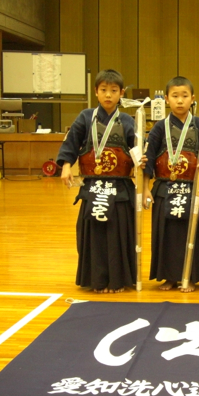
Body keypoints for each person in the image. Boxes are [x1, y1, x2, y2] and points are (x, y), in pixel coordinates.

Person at [58, 69, 137, 294]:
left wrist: (142, 165)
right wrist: (65, 166)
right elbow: (72, 143)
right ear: (96, 92)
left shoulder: (128, 121)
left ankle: (119, 280)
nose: (108, 95)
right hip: (93, 186)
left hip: (120, 187)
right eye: (103, 90)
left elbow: (136, 150)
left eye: (113, 91)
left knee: (118, 235)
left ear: (121, 93)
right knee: (94, 234)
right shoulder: (85, 117)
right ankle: (96, 279)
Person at [142, 76, 199, 293]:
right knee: (167, 234)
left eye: (184, 96)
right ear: (166, 99)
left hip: (192, 189)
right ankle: (169, 277)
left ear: (193, 98)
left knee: (192, 232)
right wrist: (145, 188)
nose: (180, 101)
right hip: (165, 188)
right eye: (175, 96)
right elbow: (149, 159)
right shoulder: (158, 128)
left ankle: (190, 276)